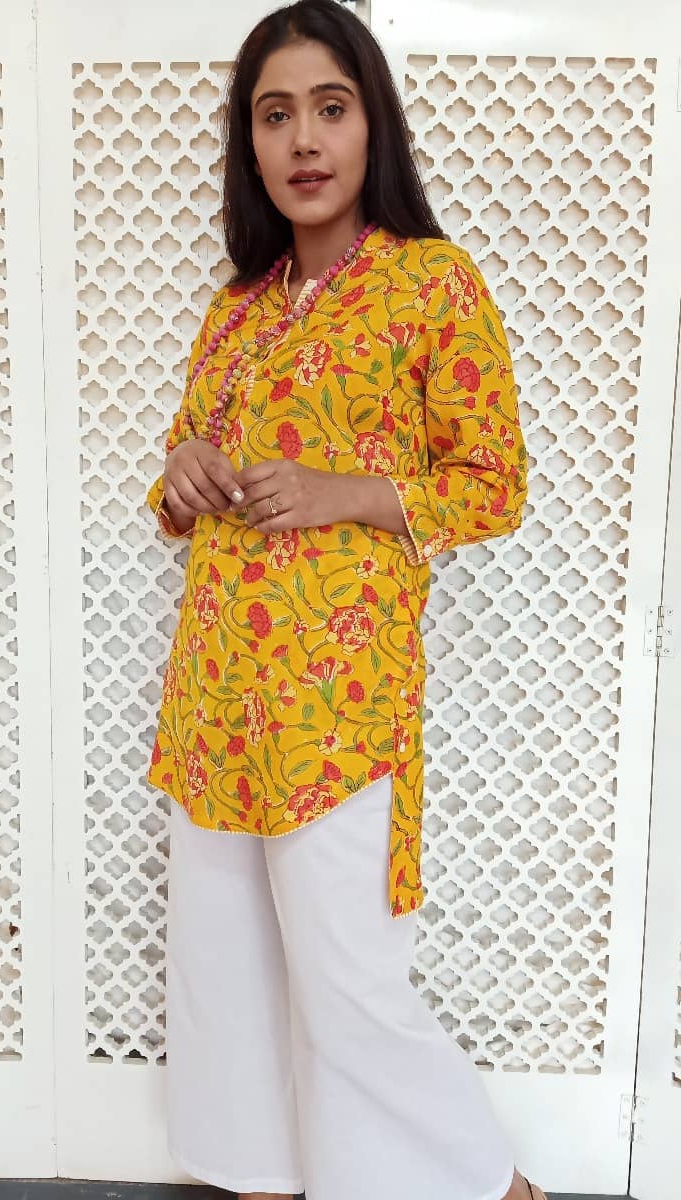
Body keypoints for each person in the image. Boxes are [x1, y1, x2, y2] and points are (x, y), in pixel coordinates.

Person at [145, 3, 541, 1199]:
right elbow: (181, 475)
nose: (305, 140)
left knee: (347, 979)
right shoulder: (240, 308)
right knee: (224, 969)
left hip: (340, 700)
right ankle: (260, 1178)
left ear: (374, 127)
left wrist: (346, 491)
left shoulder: (431, 285)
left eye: (331, 107)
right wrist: (181, 471)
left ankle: (492, 1186)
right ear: (251, 143)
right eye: (276, 116)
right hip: (217, 694)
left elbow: (495, 484)